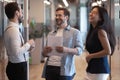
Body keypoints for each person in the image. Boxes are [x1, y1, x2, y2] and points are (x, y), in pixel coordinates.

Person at [42, 7, 83, 80]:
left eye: (60, 15)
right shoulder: (51, 33)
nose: (57, 17)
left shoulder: (75, 32)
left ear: (66, 17)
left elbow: (80, 51)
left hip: (65, 69)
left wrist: (65, 49)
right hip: (50, 68)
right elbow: (44, 54)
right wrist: (45, 51)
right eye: (56, 15)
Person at [4, 2, 35, 80]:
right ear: (17, 13)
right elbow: (17, 52)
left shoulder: (13, 28)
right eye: (21, 11)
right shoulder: (13, 30)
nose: (22, 14)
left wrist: (28, 49)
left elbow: (17, 52)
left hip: (17, 66)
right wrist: (28, 44)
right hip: (17, 68)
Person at [85, 6, 116, 80]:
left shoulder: (100, 31)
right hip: (92, 68)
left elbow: (108, 51)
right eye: (91, 12)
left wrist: (90, 56)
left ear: (101, 18)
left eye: (94, 13)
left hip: (100, 69)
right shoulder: (93, 30)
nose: (91, 14)